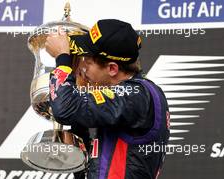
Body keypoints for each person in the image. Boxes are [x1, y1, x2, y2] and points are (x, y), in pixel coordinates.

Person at [45, 19, 170, 179]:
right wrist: (78, 135)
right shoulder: (134, 95)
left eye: (88, 62)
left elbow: (64, 109)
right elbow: (101, 167)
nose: (83, 67)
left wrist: (63, 60)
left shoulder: (136, 95)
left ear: (112, 68)